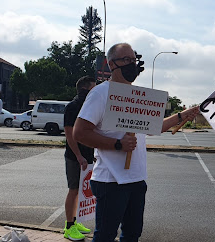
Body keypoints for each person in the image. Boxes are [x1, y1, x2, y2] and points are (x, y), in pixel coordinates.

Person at [73, 43, 200, 242]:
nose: (132, 64)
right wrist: (117, 144)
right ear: (110, 64)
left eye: (133, 60)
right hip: (110, 180)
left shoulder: (138, 96)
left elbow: (154, 127)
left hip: (136, 179)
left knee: (132, 235)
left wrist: (182, 115)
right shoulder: (100, 93)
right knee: (105, 236)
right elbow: (80, 133)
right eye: (126, 60)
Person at [63, 76, 96, 241]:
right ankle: (69, 227)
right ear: (84, 89)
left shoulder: (87, 107)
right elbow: (69, 135)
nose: (95, 91)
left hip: (87, 156)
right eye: (93, 88)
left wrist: (92, 155)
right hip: (75, 157)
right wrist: (79, 156)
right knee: (74, 190)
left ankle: (74, 222)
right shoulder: (73, 107)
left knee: (81, 192)